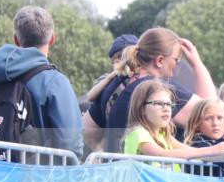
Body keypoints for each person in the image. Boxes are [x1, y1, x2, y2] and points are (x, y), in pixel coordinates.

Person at [83, 27, 215, 152]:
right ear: (160, 60)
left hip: (116, 166)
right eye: (176, 59)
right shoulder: (160, 88)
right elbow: (213, 112)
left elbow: (86, 130)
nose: (177, 64)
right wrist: (197, 64)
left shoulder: (116, 83)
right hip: (150, 168)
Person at [0, 6, 83, 157]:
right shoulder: (56, 82)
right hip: (36, 171)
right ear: (52, 38)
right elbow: (70, 145)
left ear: (16, 39)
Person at [122, 79, 224, 162]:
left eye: (169, 104)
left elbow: (192, 152)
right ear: (142, 109)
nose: (166, 109)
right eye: (159, 103)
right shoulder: (138, 133)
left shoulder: (164, 135)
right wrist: (213, 150)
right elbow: (162, 155)